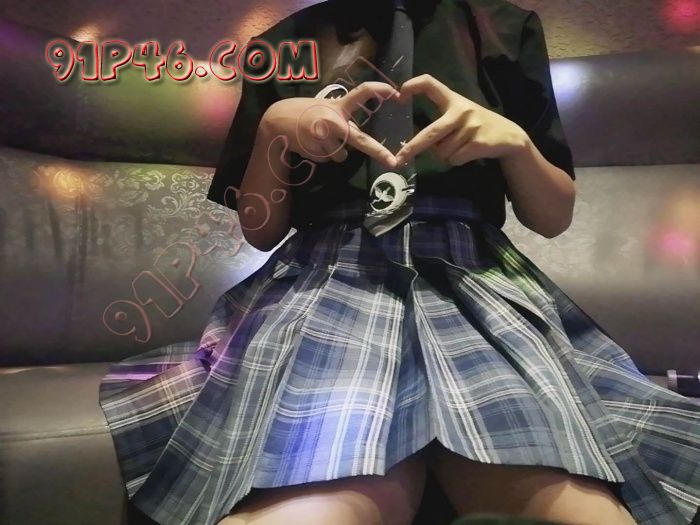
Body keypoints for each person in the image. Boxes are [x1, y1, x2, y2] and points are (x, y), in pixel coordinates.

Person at [98, 0, 700, 524]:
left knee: (569, 500)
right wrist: (274, 133)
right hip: (327, 279)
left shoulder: (506, 28)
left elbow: (552, 215)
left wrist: (514, 142)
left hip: (477, 284)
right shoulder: (279, 47)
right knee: (319, 496)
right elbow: (262, 229)